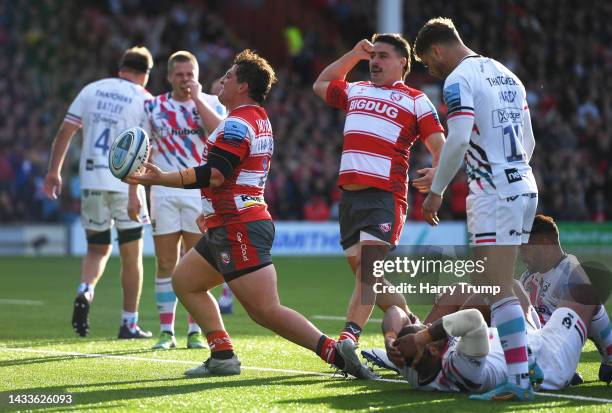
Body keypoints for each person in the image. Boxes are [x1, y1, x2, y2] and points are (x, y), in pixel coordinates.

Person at [125, 49, 375, 379]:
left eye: (229, 76)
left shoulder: (237, 125)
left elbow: (214, 175)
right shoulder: (253, 118)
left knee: (265, 311)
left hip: (238, 226)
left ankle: (334, 352)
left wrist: (160, 178)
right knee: (185, 281)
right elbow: (230, 178)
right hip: (227, 223)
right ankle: (223, 354)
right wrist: (209, 209)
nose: (223, 79)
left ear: (242, 86)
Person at [415, 17, 538, 399]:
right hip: (523, 185)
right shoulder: (507, 74)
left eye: (427, 62)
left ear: (436, 50)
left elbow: (459, 137)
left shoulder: (457, 80)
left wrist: (437, 190)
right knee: (504, 283)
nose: (431, 70)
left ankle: (518, 381)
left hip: (494, 193)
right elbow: (529, 139)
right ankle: (528, 363)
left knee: (497, 290)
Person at [312, 34, 445, 351]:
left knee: (369, 270)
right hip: (350, 199)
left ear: (402, 63)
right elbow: (322, 83)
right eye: (372, 56)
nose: (374, 61)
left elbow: (440, 145)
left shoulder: (415, 100)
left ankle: (349, 337)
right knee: (365, 273)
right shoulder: (356, 89)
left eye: (383, 56)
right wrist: (352, 54)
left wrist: (438, 175)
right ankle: (414, 326)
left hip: (385, 195)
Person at [43, 47, 153, 339]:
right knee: (132, 256)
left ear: (121, 68)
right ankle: (129, 323)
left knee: (96, 249)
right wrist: (134, 194)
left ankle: (85, 290)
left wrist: (54, 172)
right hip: (124, 184)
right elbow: (141, 150)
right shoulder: (145, 100)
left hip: (91, 181)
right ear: (145, 74)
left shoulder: (92, 90)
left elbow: (65, 131)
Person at [145, 51, 227, 350]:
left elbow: (219, 133)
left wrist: (197, 99)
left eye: (190, 74)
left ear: (198, 74)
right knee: (166, 262)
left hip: (199, 190)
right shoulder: (154, 106)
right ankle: (166, 332)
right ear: (169, 77)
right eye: (179, 75)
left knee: (198, 264)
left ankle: (196, 332)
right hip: (164, 191)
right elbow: (145, 149)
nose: (185, 80)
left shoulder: (212, 103)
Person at [386, 294, 599, 397]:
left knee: (497, 292)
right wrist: (422, 336)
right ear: (432, 349)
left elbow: (394, 311)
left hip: (519, 341)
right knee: (585, 289)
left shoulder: (413, 368)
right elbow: (473, 319)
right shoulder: (457, 368)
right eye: (424, 331)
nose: (428, 326)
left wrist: (390, 340)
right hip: (546, 357)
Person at [519, 214, 612, 384]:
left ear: (545, 245)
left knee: (590, 299)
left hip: (549, 351)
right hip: (534, 346)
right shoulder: (528, 276)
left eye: (526, 249)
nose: (523, 256)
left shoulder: (571, 273)